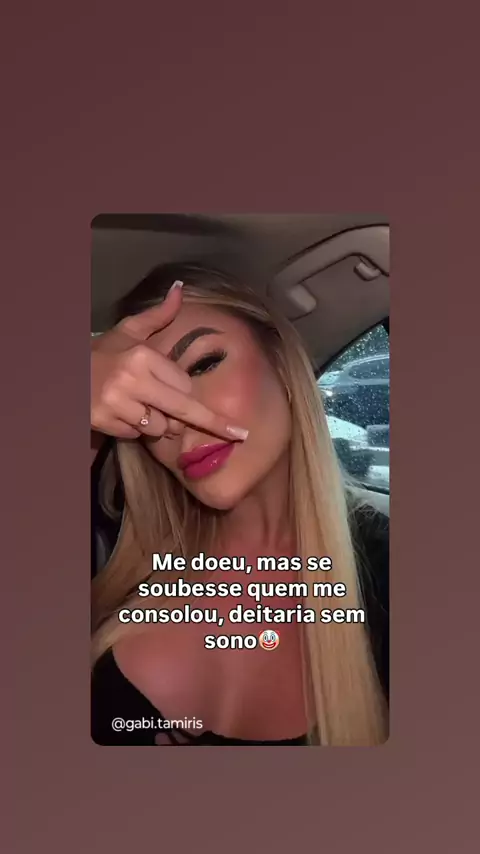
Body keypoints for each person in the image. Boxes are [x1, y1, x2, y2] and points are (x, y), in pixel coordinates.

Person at [91, 262, 389, 746]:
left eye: (203, 364)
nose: (175, 420)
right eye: (146, 401)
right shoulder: (111, 548)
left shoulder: (388, 574)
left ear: (282, 365)